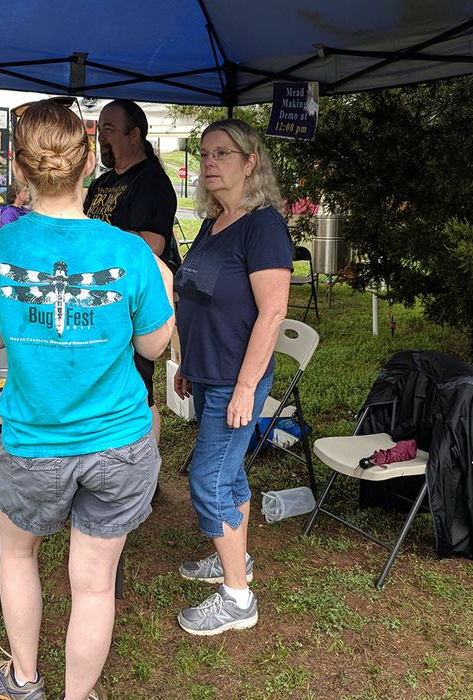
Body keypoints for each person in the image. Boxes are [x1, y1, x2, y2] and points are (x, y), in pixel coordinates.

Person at [0, 99, 175, 700]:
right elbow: (156, 348)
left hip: (33, 440)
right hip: (118, 442)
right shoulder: (130, 253)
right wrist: (166, 289)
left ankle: (26, 679)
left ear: (18, 165)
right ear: (87, 163)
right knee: (93, 585)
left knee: (18, 557)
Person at [172, 119, 292, 635]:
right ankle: (234, 562)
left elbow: (272, 314)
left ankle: (238, 599)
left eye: (223, 153)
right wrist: (186, 366)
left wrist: (245, 389)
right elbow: (198, 297)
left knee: (209, 479)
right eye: (204, 155)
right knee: (231, 473)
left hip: (236, 379)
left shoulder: (262, 226)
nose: (210, 163)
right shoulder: (214, 223)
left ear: (251, 162)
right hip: (208, 372)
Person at [84, 99, 180, 442]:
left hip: (133, 301)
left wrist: (95, 236)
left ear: (134, 134)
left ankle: (146, 470)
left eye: (108, 129)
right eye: (98, 131)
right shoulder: (102, 183)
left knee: (140, 385)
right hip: (96, 298)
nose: (100, 138)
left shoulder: (151, 181)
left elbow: (151, 244)